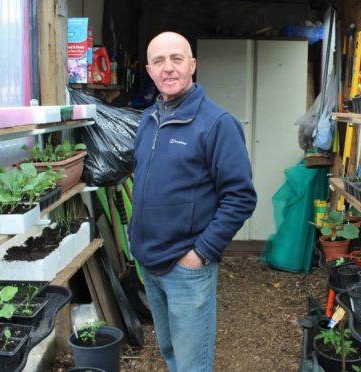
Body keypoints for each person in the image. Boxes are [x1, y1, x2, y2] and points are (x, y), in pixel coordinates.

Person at [129, 31, 257, 371]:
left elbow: (240, 197)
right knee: (171, 352)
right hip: (149, 261)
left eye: (176, 59)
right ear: (149, 69)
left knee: (191, 364)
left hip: (185, 268)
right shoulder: (147, 120)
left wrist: (200, 253)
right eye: (159, 61)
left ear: (193, 65)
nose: (168, 68)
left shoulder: (217, 124)